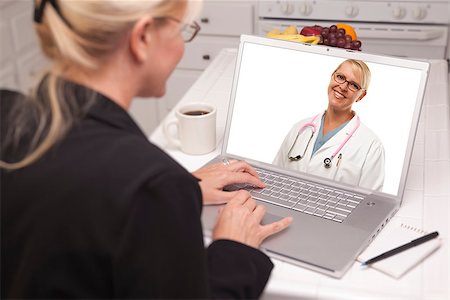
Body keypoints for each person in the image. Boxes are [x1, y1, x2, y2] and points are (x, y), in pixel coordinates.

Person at [0, 0, 292, 298]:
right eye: (181, 31)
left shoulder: (6, 112)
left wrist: (178, 190)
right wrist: (234, 249)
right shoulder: (151, 184)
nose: (182, 46)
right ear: (142, 37)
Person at [273, 59, 385, 191]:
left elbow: (369, 203)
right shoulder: (300, 129)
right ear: (332, 76)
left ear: (361, 96)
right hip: (287, 209)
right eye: (340, 77)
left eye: (353, 85)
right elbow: (275, 178)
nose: (342, 87)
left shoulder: (371, 146)